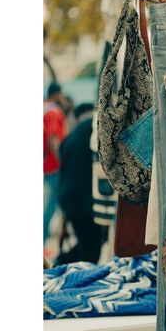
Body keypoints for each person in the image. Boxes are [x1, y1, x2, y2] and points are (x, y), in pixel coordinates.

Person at [56, 103, 108, 264]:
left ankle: (62, 263)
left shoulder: (69, 138)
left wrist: (63, 221)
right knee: (91, 251)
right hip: (87, 203)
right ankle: (63, 266)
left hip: (70, 201)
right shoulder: (98, 131)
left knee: (87, 246)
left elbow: (64, 178)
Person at [44, 82, 69, 244]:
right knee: (54, 202)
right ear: (56, 94)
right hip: (55, 166)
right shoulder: (53, 112)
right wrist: (63, 163)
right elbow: (53, 139)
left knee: (53, 201)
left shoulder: (44, 109)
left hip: (47, 164)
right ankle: (44, 236)